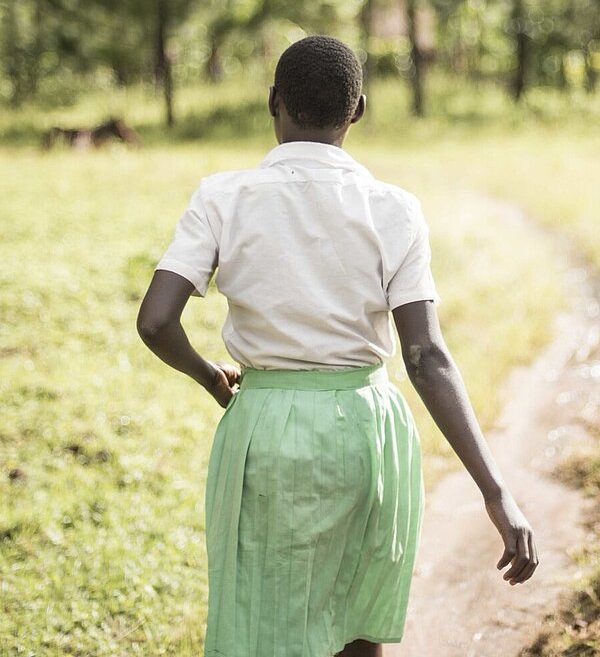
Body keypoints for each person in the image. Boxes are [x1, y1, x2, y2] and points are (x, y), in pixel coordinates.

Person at [137, 35, 538, 657]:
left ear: (273, 102)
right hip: (369, 432)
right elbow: (425, 356)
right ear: (359, 111)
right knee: (357, 623)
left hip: (265, 433)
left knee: (262, 624)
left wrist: (209, 375)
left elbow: (157, 322)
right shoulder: (395, 210)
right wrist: (495, 490)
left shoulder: (223, 197)